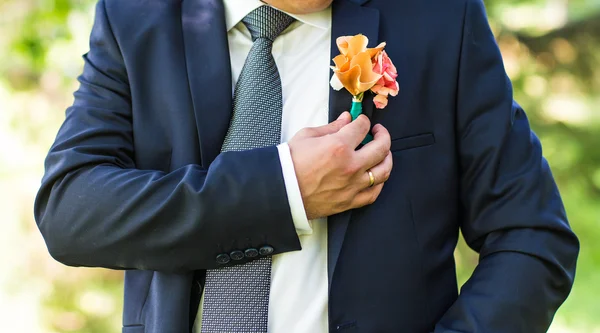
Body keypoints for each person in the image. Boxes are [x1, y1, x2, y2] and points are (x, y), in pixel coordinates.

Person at [34, 0, 579, 332]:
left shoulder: (439, 16)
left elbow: (531, 237)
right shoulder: (137, 16)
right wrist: (285, 189)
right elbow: (71, 209)